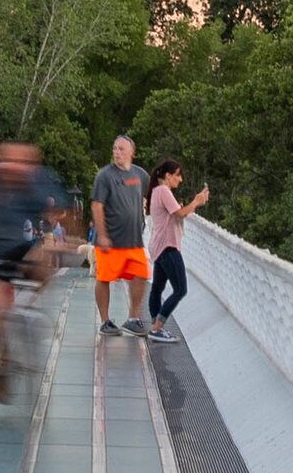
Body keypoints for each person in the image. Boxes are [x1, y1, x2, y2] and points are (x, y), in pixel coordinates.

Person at [0, 138, 70, 404]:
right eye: (14, 162)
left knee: (44, 263)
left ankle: (31, 306)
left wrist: (63, 242)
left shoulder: (37, 180)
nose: (19, 169)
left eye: (26, 164)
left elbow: (61, 210)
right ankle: (3, 355)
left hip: (20, 246)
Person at [88, 134, 150, 337]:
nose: (117, 152)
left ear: (132, 152)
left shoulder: (140, 175)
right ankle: (105, 321)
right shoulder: (105, 176)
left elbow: (148, 194)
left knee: (141, 274)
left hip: (134, 240)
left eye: (122, 149)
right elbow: (97, 205)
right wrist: (102, 235)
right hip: (110, 240)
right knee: (104, 278)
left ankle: (132, 318)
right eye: (115, 149)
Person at [141, 158, 207, 343]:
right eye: (178, 175)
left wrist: (193, 204)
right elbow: (180, 213)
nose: (181, 179)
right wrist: (197, 202)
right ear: (168, 175)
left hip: (158, 246)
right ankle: (157, 327)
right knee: (180, 289)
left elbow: (176, 214)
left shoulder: (156, 191)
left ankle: (155, 324)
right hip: (167, 246)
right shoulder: (163, 191)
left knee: (158, 287)